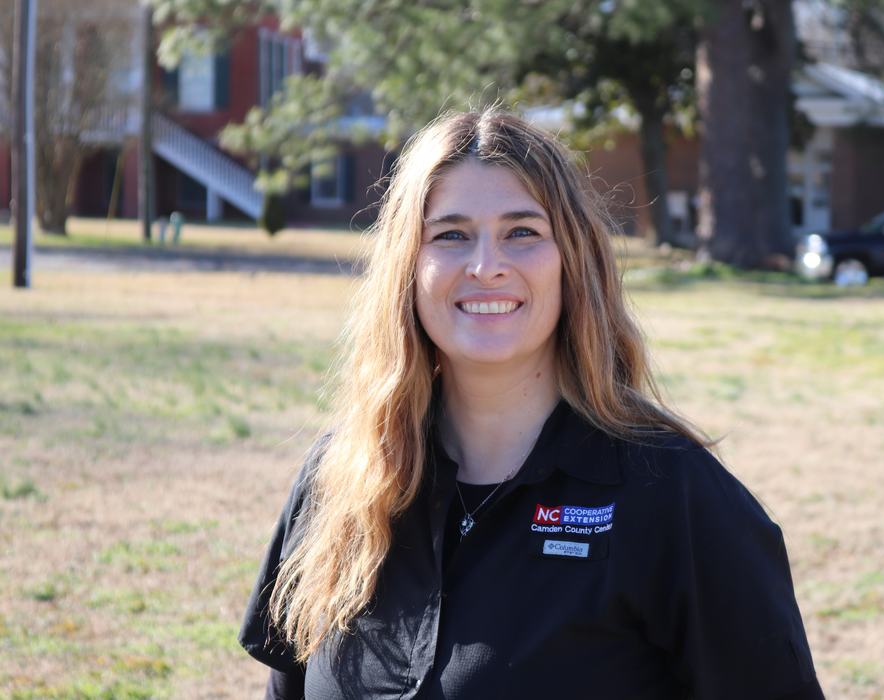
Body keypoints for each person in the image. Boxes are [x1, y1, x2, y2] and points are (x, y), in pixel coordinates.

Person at [239, 109, 824, 699]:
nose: (486, 266)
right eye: (450, 235)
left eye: (522, 232)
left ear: (573, 259)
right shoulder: (340, 480)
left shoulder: (675, 495)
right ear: (407, 269)